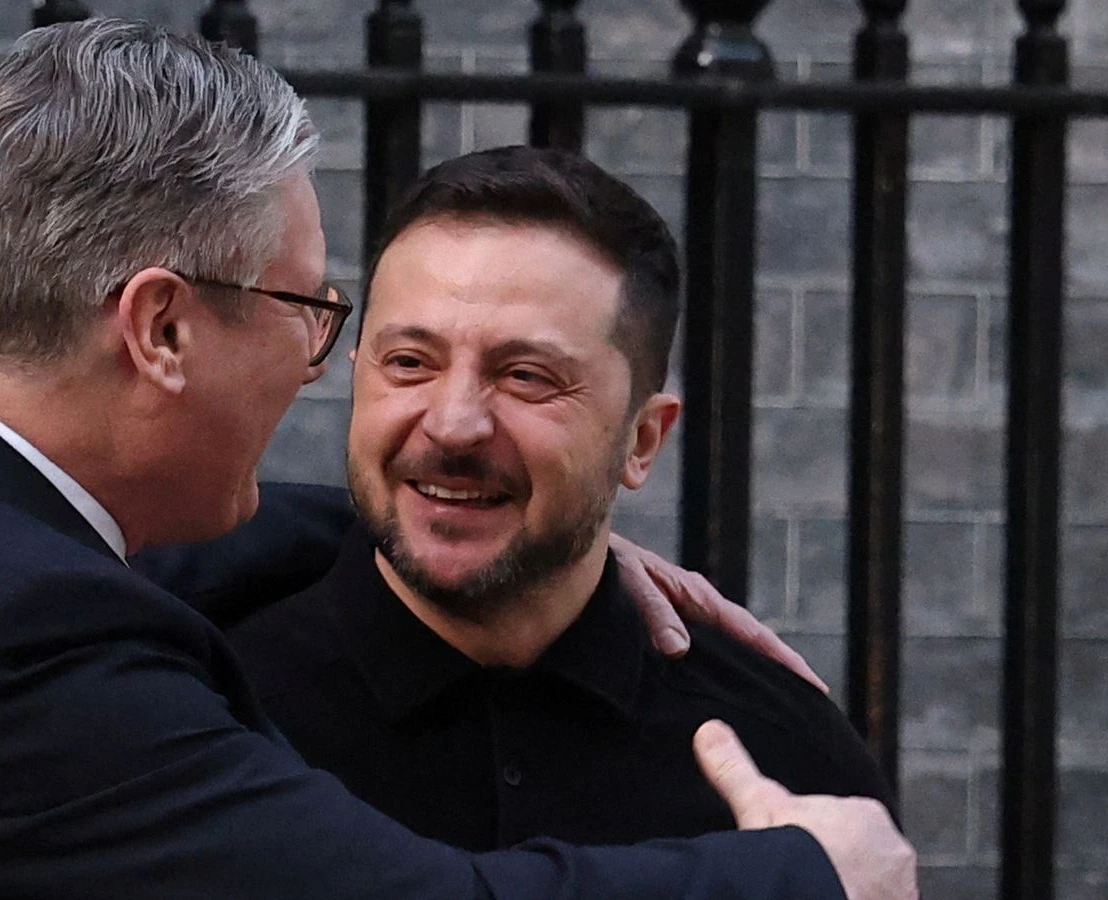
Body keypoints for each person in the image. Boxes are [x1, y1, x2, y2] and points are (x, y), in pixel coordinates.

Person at [0, 20, 916, 900]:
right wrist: (809, 871)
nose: (313, 362)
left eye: (530, 381)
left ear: (642, 434)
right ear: (164, 327)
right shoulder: (20, 641)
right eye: (313, 316)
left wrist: (519, 515)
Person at [228, 145, 895, 853]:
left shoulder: (786, 767)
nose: (454, 424)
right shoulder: (211, 716)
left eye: (526, 377)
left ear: (642, 440)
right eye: (410, 364)